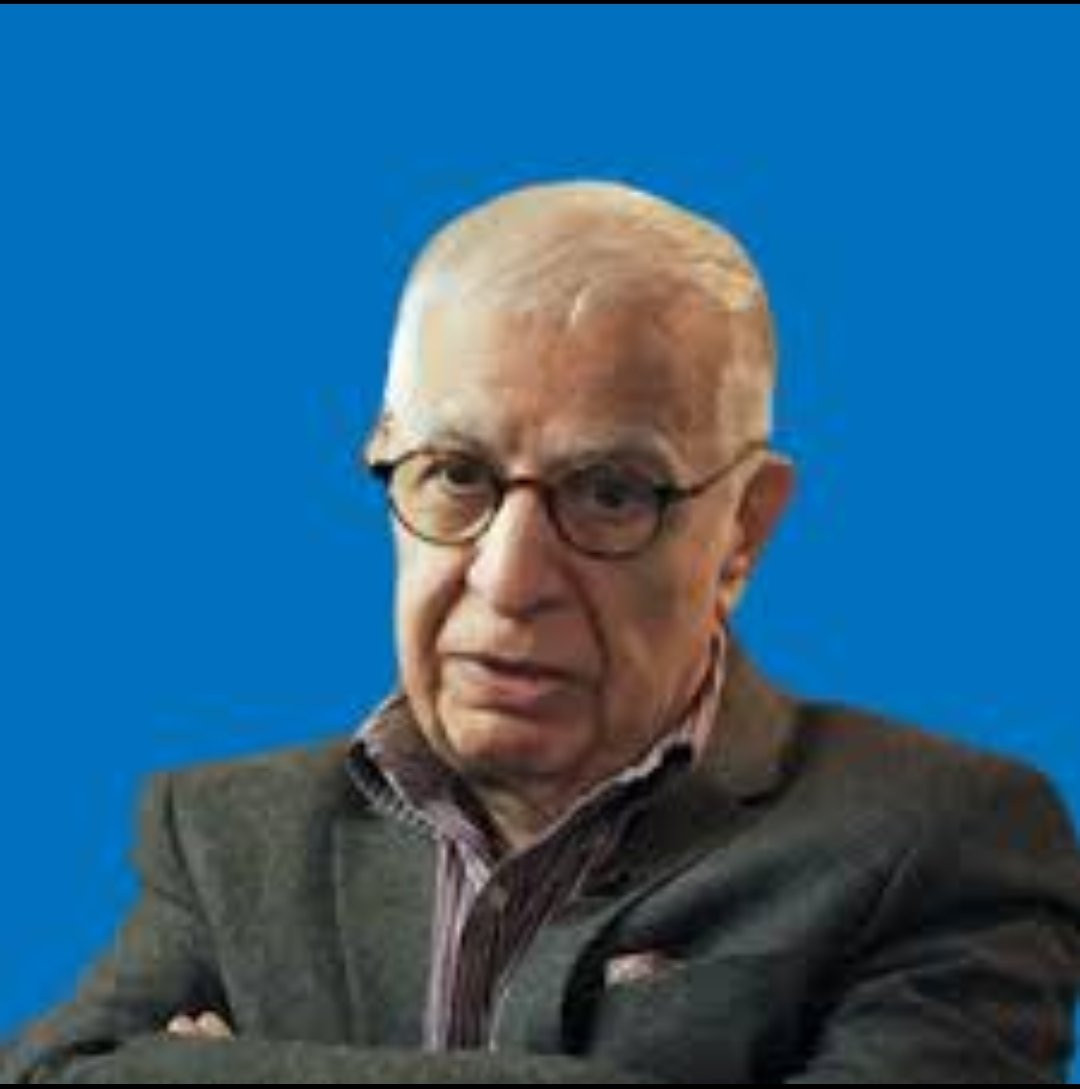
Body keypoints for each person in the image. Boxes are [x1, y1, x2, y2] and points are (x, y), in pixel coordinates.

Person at [4, 180, 1079, 1085]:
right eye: (455, 475)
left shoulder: (939, 839)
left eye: (610, 493)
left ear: (743, 530)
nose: (509, 580)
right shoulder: (229, 835)